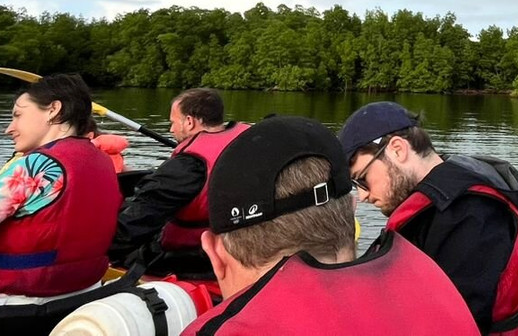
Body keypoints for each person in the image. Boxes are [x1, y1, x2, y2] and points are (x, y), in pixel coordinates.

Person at [182, 115, 480, 335]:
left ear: (215, 253)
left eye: (362, 179)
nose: (363, 196)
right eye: (356, 186)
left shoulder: (462, 217)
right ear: (349, 218)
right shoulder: (431, 282)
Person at [340, 101, 518, 336]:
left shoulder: (472, 213)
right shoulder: (436, 204)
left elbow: (456, 325)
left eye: (362, 179)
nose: (362, 195)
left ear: (397, 149)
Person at [1, 74, 122, 296]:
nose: (9, 128)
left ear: (53, 110)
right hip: (83, 287)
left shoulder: (34, 165)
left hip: (22, 294)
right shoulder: (103, 161)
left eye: (18, 115)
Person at [110, 88, 249, 276]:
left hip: (196, 257)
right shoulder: (249, 140)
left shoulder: (186, 167)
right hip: (244, 242)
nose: (171, 129)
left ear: (189, 122)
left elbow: (132, 228)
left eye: (173, 122)